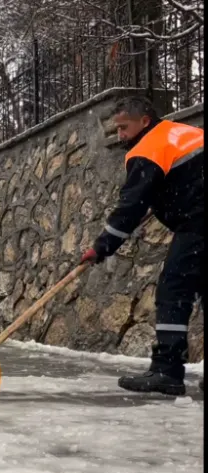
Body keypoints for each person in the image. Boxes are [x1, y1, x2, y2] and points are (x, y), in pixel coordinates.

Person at [81, 96, 203, 396]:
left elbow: (131, 206)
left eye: (124, 128)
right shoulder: (183, 133)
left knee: (173, 290)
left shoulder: (148, 148)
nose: (120, 135)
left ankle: (167, 371)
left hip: (199, 223)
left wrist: (102, 246)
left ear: (144, 122)